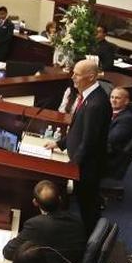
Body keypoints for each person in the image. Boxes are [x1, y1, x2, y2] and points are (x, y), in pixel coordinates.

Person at [45, 59, 111, 233]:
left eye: (77, 74)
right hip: (80, 161)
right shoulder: (88, 97)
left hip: (88, 166)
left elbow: (89, 141)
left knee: (87, 206)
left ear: (90, 77)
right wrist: (59, 143)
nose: (73, 76)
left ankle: (91, 242)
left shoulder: (96, 104)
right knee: (83, 203)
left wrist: (71, 168)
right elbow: (77, 129)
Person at [1, 180, 86, 263]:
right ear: (60, 199)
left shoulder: (37, 225)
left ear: (35, 202)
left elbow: (9, 252)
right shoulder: (77, 221)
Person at [105, 87, 132, 174]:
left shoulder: (127, 119)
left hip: (110, 155)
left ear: (126, 101)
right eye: (112, 97)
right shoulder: (109, 112)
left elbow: (111, 139)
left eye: (117, 98)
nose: (113, 100)